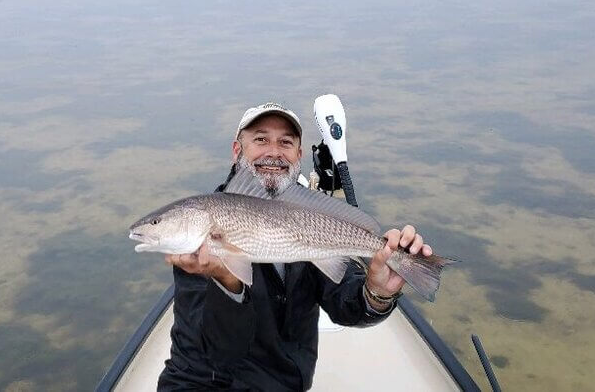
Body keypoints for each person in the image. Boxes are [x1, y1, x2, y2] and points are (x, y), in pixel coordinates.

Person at [157, 102, 436, 391]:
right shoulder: (202, 227)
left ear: (299, 156)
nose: (274, 152)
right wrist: (228, 281)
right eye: (261, 139)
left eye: (286, 142)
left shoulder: (313, 218)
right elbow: (216, 353)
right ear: (237, 151)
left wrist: (377, 292)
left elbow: (346, 304)